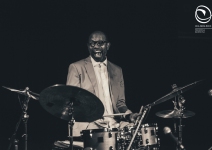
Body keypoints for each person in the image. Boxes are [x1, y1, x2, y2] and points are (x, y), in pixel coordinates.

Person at [66, 31, 139, 136]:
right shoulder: (76, 67)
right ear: (88, 46)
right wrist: (93, 117)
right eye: (92, 43)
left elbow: (120, 104)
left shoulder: (117, 70)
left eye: (100, 43)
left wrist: (129, 115)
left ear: (108, 45)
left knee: (137, 130)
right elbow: (73, 102)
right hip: (88, 124)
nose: (96, 46)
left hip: (114, 124)